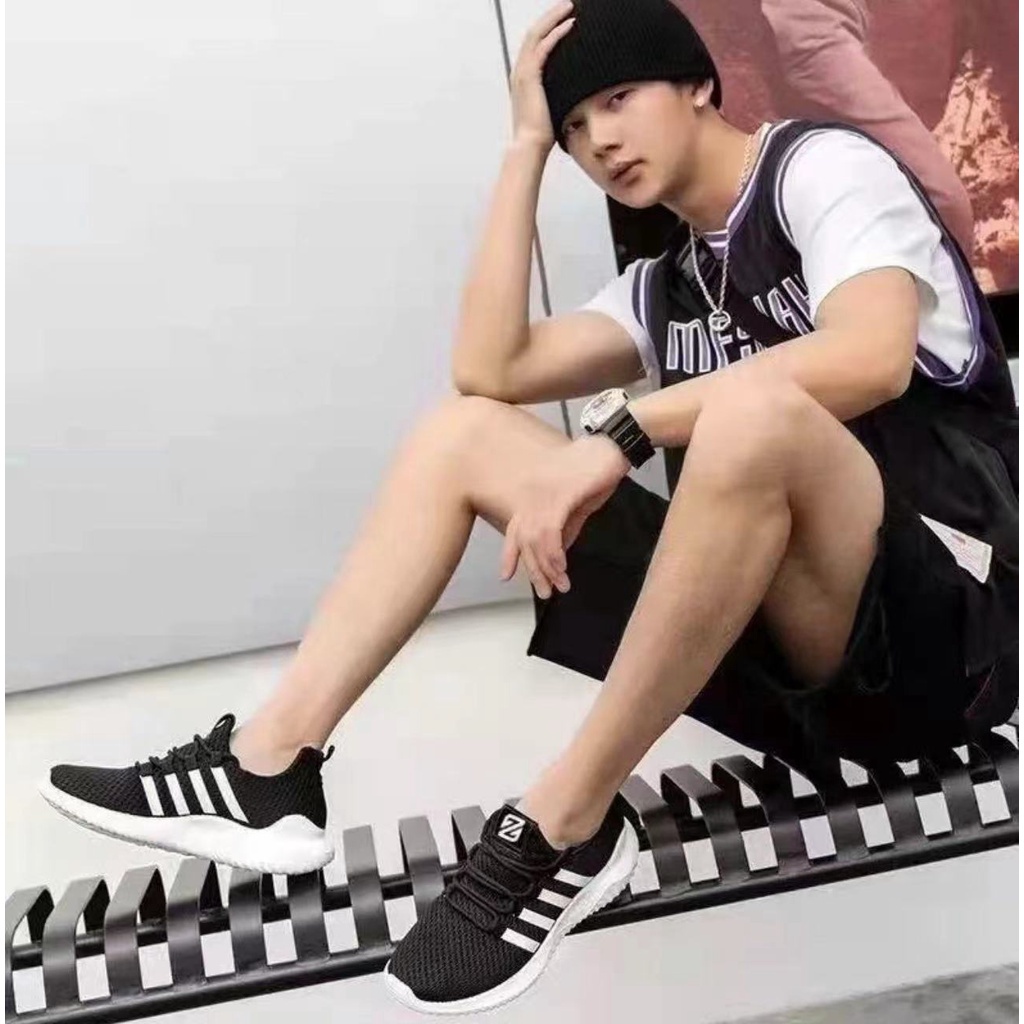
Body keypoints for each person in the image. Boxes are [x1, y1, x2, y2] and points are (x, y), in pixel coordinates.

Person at [39, 0, 1018, 1014]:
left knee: (753, 412)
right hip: (787, 653)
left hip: (946, 641)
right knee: (463, 432)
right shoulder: (670, 286)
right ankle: (269, 765)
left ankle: (564, 822)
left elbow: (868, 356)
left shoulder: (821, 170)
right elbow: (490, 367)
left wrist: (626, 430)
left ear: (699, 85)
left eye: (618, 98)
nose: (599, 140)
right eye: (575, 126)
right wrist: (521, 149)